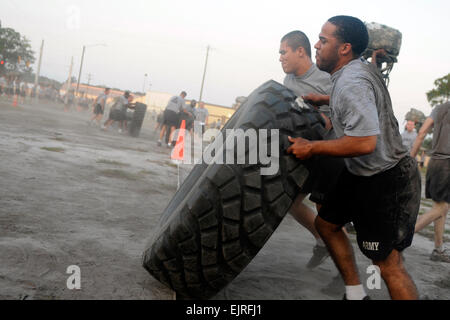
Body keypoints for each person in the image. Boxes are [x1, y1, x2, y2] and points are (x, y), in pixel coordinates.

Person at [288, 16, 421, 300]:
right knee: (326, 224)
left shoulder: (352, 81)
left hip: (387, 177)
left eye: (324, 41)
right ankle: (355, 293)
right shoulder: (352, 71)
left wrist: (311, 148)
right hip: (360, 173)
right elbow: (355, 94)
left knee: (387, 265)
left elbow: (363, 142)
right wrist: (322, 99)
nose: (317, 46)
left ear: (345, 48)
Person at [279, 30, 346, 269]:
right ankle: (321, 243)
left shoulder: (325, 78)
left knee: (328, 216)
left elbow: (338, 118)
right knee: (289, 202)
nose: (280, 58)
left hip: (328, 155)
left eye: (283, 52)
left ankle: (346, 275)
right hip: (306, 155)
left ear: (300, 51)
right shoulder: (288, 82)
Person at [410, 102, 450, 262]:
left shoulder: (439, 108)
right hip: (448, 164)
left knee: (441, 207)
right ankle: (399, 240)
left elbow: (421, 133)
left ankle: (438, 249)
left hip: (434, 162)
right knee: (440, 208)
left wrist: (411, 158)